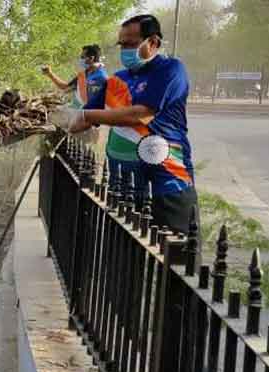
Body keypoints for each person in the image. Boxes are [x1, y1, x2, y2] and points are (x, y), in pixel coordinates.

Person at [65, 14, 198, 233]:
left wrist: (86, 117)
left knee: (173, 260)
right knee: (124, 259)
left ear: (153, 43)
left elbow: (140, 115)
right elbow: (80, 119)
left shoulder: (171, 70)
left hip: (168, 185)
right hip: (124, 187)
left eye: (131, 44)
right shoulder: (117, 80)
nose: (125, 50)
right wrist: (52, 117)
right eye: (122, 45)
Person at [42, 44, 108, 109]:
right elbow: (65, 87)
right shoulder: (84, 75)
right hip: (84, 113)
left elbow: (98, 104)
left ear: (91, 58)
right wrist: (50, 74)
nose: (80, 60)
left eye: (82, 57)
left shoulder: (101, 78)